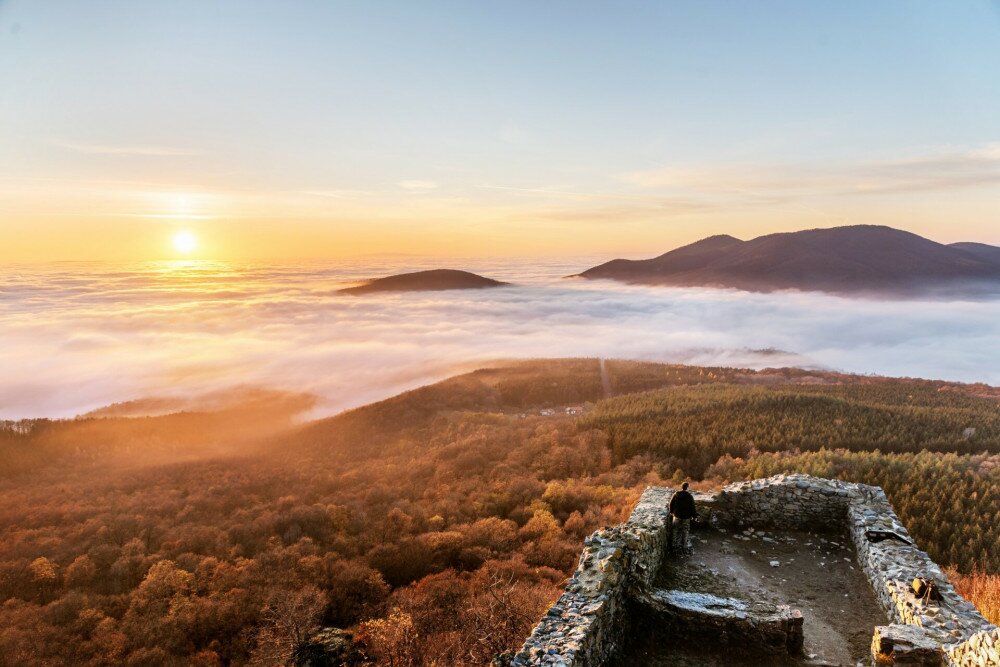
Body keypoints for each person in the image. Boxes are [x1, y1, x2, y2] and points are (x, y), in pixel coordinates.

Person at [669, 482, 697, 554]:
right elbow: (692, 507)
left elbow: (671, 503)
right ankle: (684, 547)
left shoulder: (676, 494)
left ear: (681, 487)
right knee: (685, 531)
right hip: (686, 517)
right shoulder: (689, 496)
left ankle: (673, 546)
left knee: (675, 530)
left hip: (677, 515)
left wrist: (671, 511)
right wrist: (694, 516)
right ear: (687, 488)